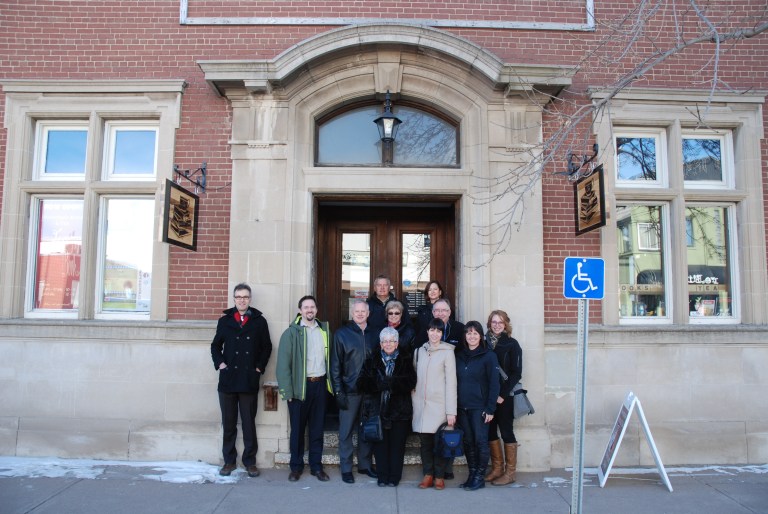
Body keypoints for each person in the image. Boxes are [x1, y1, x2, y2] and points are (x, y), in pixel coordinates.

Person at [210, 283, 273, 477]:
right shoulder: (225, 320)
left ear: (250, 299)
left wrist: (258, 368)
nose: (242, 300)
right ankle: (229, 461)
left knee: (248, 423)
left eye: (245, 297)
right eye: (238, 297)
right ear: (234, 298)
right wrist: (221, 364)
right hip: (228, 380)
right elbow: (215, 346)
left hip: (248, 379)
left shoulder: (259, 321)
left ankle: (250, 462)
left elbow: (267, 347)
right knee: (228, 423)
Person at [276, 295, 332, 482]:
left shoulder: (324, 330)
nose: (310, 310)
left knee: (317, 430)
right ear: (300, 310)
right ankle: (296, 467)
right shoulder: (291, 333)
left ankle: (316, 467)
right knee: (298, 430)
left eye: (312, 307)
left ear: (316, 310)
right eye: (306, 307)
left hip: (320, 385)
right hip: (300, 387)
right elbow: (283, 366)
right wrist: (287, 391)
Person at [356, 327, 417, 487]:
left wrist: (390, 383)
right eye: (385, 341)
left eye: (391, 341)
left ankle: (394, 477)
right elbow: (361, 382)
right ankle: (382, 476)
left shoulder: (405, 358)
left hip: (399, 411)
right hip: (377, 411)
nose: (388, 344)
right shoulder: (372, 359)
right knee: (380, 446)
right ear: (381, 344)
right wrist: (378, 384)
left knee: (397, 447)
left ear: (397, 343)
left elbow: (411, 382)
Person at [331, 299, 379, 484]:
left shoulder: (376, 334)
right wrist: (338, 392)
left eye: (363, 311)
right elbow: (335, 366)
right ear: (352, 313)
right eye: (356, 311)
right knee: (346, 432)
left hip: (370, 392)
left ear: (368, 313)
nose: (360, 314)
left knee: (366, 431)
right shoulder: (342, 334)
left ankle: (365, 465)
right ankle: (346, 468)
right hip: (349, 392)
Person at [411, 318, 457, 491]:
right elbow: (414, 377)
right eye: (432, 330)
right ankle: (427, 475)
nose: (435, 334)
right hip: (421, 405)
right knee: (425, 444)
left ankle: (439, 476)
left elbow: (451, 383)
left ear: (442, 333)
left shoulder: (447, 352)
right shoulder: (419, 352)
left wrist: (451, 411)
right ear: (427, 331)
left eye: (438, 331)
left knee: (440, 444)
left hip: (439, 406)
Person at [456, 321, 500, 491]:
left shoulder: (489, 355)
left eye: (475, 333)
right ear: (465, 336)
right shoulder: (459, 355)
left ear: (481, 336)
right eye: (469, 333)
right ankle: (472, 473)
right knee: (468, 442)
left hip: (480, 407)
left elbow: (494, 384)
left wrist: (490, 408)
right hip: (462, 406)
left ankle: (479, 476)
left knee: (480, 441)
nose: (472, 336)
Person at [484, 309, 523, 485]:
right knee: (490, 431)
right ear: (489, 324)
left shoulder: (512, 344)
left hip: (504, 397)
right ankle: (497, 468)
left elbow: (516, 373)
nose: (497, 325)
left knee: (506, 431)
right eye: (494, 322)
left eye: (500, 322)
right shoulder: (483, 343)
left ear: (506, 324)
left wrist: (501, 394)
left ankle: (510, 472)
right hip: (486, 396)